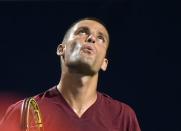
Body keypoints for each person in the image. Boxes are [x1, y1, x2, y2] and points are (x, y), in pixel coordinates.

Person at [0, 17, 141, 131]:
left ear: (104, 63)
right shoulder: (23, 112)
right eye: (82, 32)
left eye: (100, 38)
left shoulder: (122, 116)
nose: (91, 38)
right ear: (61, 49)